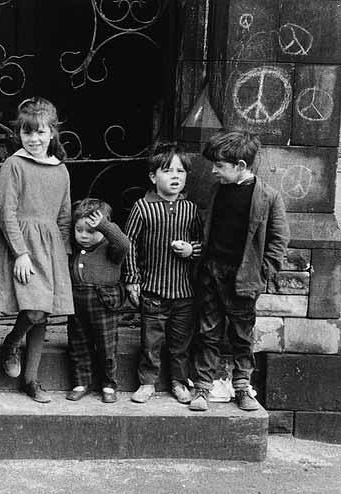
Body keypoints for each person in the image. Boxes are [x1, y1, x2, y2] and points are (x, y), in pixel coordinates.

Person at [0, 97, 74, 404]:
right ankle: (10, 342)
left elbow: (64, 216)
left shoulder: (61, 170)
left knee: (42, 313)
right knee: (34, 309)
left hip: (50, 248)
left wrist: (62, 255)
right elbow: (6, 212)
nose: (33, 139)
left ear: (52, 133)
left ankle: (31, 380)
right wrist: (20, 252)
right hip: (22, 244)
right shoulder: (13, 165)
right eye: (27, 133)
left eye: (40, 133)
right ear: (19, 134)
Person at [190, 130, 289, 412]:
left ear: (241, 166)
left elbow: (279, 240)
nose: (213, 171)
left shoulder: (268, 197)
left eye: (219, 166)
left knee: (241, 336)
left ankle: (243, 387)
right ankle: (202, 388)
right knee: (207, 332)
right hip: (211, 273)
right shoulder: (217, 190)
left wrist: (262, 273)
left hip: (243, 278)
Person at [124, 142, 203, 405]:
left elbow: (203, 243)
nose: (175, 177)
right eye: (168, 171)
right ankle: (147, 382)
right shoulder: (142, 208)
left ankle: (179, 382)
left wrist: (191, 250)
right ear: (153, 176)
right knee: (151, 341)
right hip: (153, 290)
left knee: (180, 343)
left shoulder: (190, 210)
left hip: (183, 291)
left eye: (180, 172)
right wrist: (133, 279)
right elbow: (129, 243)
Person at [66, 199, 131, 403]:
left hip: (104, 303)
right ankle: (81, 381)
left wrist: (104, 225)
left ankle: (108, 384)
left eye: (91, 231)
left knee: (106, 346)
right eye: (79, 230)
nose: (84, 236)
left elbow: (123, 243)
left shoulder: (111, 248)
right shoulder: (75, 247)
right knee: (79, 344)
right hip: (77, 302)